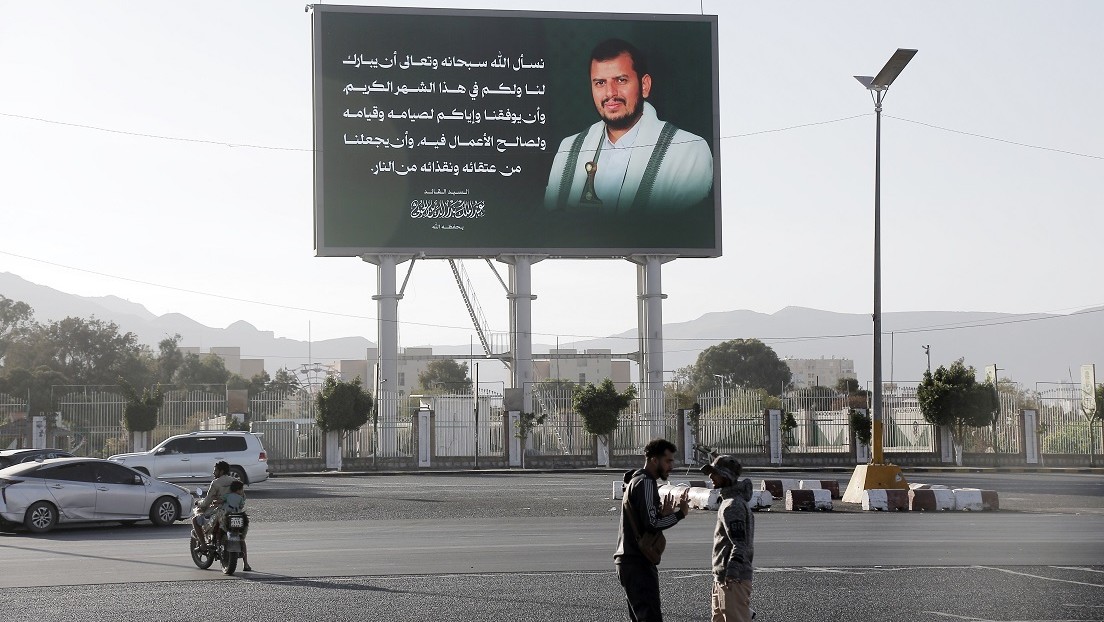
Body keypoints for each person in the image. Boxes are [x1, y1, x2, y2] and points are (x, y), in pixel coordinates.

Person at [544, 38, 713, 214]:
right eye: (600, 83)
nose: (610, 93)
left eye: (621, 80)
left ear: (644, 85)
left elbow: (682, 237)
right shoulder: (569, 149)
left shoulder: (688, 151)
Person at [614, 438, 690, 622]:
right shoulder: (646, 483)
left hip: (629, 561)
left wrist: (664, 514)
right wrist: (680, 514)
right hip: (637, 561)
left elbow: (646, 520)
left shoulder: (635, 480)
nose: (671, 466)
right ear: (654, 460)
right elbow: (652, 524)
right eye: (668, 461)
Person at [701, 455, 756, 622]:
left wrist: (732, 573)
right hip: (723, 577)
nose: (711, 476)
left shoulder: (733, 505)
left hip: (732, 579)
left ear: (726, 476)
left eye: (715, 473)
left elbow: (740, 543)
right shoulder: (728, 501)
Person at [192, 460, 235, 546]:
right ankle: (245, 558)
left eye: (215, 470)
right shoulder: (235, 481)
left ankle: (203, 545)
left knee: (195, 520)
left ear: (221, 471)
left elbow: (207, 502)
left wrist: (199, 503)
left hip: (218, 512)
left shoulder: (215, 483)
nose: (213, 473)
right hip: (234, 511)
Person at [221, 479, 253, 572]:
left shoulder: (227, 496)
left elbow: (220, 501)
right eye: (242, 489)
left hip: (228, 518)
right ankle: (246, 563)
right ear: (239, 490)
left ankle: (219, 541)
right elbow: (242, 505)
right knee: (242, 539)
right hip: (239, 518)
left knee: (221, 528)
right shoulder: (240, 498)